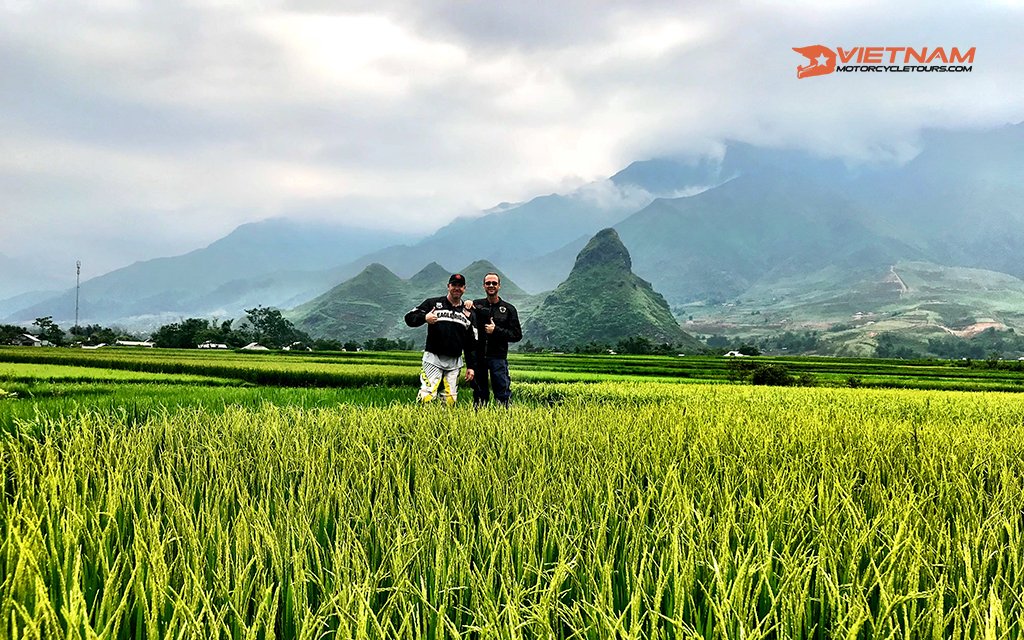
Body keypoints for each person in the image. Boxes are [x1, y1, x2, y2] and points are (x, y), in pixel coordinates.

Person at [404, 273, 476, 405]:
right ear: (448, 286)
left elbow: (470, 343)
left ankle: (443, 423)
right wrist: (424, 318)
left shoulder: (468, 312)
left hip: (454, 361)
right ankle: (421, 423)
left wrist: (471, 366)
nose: (457, 288)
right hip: (433, 358)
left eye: (460, 286)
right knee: (427, 395)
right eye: (454, 285)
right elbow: (409, 318)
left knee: (450, 399)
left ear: (464, 289)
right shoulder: (432, 304)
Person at [468, 272, 522, 407]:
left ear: (499, 286)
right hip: (479, 358)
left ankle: (505, 422)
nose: (491, 285)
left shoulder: (509, 309)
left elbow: (516, 335)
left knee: (503, 394)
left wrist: (496, 330)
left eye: (494, 283)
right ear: (484, 286)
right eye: (488, 283)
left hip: (498, 358)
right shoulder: (476, 305)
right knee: (479, 396)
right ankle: (479, 423)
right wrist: (467, 303)